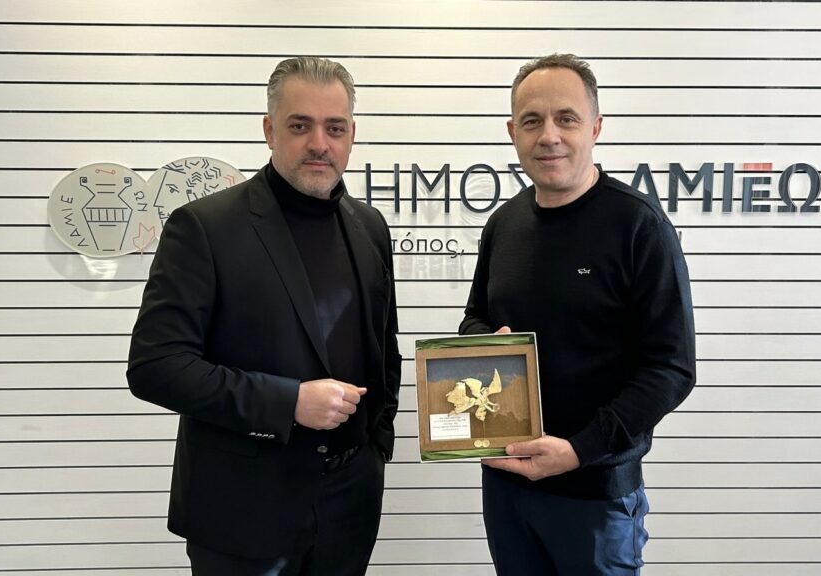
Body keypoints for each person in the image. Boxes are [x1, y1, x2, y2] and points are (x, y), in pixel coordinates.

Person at [127, 57, 401, 576]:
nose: (319, 143)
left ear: (352, 134)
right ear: (270, 130)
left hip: (350, 503)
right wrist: (287, 402)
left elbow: (382, 348)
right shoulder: (204, 227)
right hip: (242, 511)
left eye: (334, 128)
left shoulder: (369, 226)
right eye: (300, 126)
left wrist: (376, 448)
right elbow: (155, 367)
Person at [459, 53, 697, 575]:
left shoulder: (639, 226)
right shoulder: (503, 223)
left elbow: (672, 369)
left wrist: (579, 450)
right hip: (507, 486)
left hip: (595, 496)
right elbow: (474, 318)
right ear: (512, 133)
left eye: (566, 118)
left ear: (595, 127)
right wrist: (490, 341)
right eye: (532, 121)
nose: (549, 136)